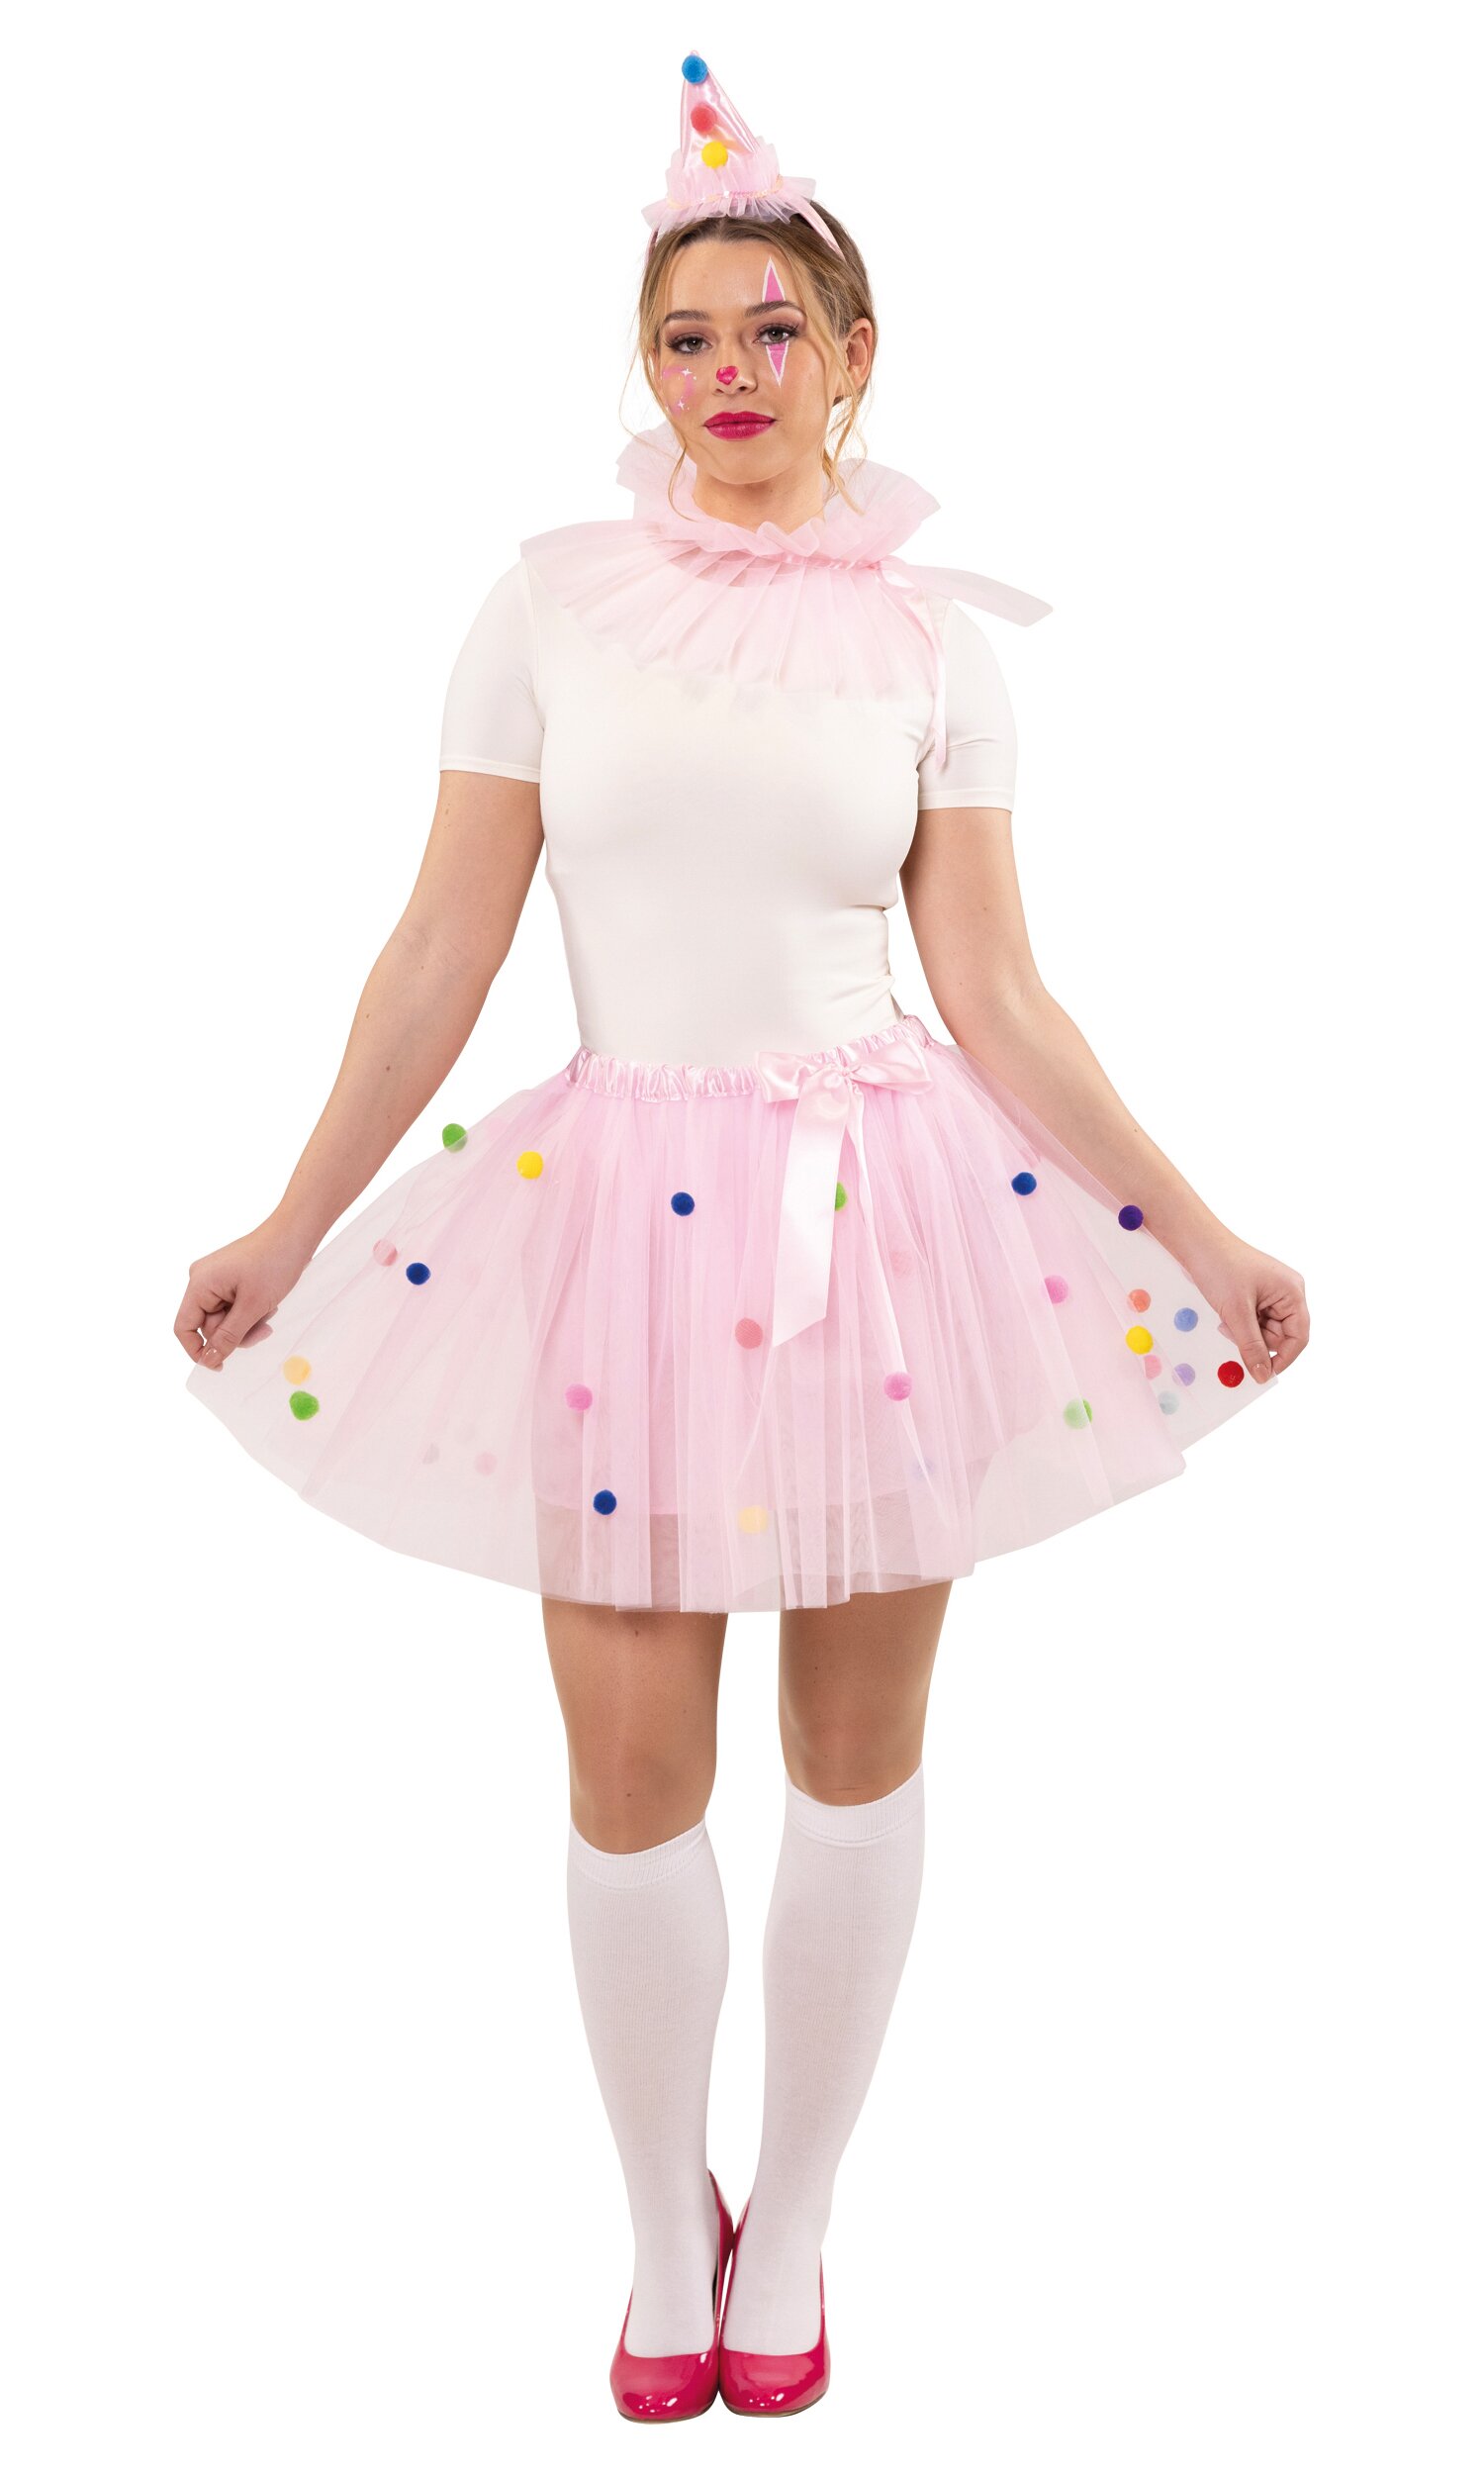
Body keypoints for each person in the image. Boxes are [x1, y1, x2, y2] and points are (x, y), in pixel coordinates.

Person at [174, 54, 1309, 2423]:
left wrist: (1197, 1231)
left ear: (852, 353)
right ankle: (651, 2223)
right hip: (616, 1225)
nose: (729, 372)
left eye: (773, 330)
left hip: (881, 1222)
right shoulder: (544, 610)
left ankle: (788, 2216)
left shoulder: (937, 650)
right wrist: (294, 1214)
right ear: (648, 364)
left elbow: (996, 992)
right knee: (626, 1767)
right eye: (686, 336)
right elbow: (439, 946)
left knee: (857, 1747)